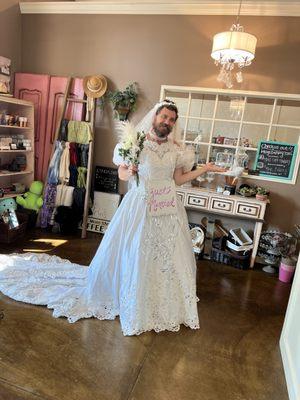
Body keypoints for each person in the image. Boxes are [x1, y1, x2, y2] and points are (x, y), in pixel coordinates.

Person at [0, 100, 225, 336]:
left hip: (168, 206)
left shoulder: (176, 148)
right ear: (155, 117)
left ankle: (162, 297)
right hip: (140, 205)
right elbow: (122, 172)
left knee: (167, 253)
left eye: (171, 119)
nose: (167, 122)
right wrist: (130, 171)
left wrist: (205, 169)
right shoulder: (136, 142)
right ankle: (134, 296)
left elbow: (178, 179)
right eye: (164, 117)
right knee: (137, 250)